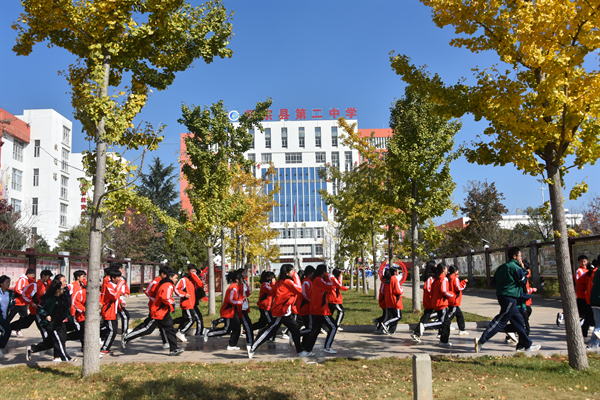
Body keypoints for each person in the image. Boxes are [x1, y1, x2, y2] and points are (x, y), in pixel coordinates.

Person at [475, 247, 541, 353]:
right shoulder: (515, 267)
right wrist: (523, 270)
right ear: (514, 256)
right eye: (520, 256)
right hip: (509, 297)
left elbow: (494, 282)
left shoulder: (501, 267)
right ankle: (481, 340)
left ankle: (527, 345)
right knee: (500, 321)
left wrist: (503, 286)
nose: (521, 258)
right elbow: (523, 282)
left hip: (505, 296)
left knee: (519, 321)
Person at [249, 264, 311, 358]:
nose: (293, 272)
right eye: (292, 270)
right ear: (287, 273)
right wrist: (296, 276)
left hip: (285, 312)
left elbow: (273, 292)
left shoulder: (279, 281)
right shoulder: (287, 282)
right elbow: (299, 289)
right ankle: (252, 347)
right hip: (280, 312)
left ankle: (300, 351)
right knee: (270, 330)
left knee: (295, 329)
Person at [122, 270, 183, 356]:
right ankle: (127, 337)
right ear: (170, 277)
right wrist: (172, 301)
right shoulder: (168, 285)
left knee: (170, 330)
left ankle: (174, 349)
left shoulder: (166, 284)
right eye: (176, 278)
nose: (176, 280)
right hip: (158, 312)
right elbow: (165, 298)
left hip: (164, 312)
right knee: (148, 329)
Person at [26, 279, 76, 362]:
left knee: (57, 340)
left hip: (61, 322)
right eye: (62, 288)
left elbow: (68, 306)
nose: (64, 290)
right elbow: (40, 308)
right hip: (51, 324)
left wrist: (66, 291)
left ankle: (32, 348)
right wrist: (46, 315)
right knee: (58, 340)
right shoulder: (49, 300)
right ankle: (66, 358)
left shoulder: (63, 298)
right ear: (57, 290)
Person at [203, 270, 245, 351]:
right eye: (241, 279)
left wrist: (240, 300)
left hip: (233, 311)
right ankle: (209, 333)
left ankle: (232, 345)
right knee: (226, 330)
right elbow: (231, 300)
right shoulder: (233, 287)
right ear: (237, 280)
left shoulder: (235, 287)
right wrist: (240, 301)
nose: (242, 280)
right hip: (228, 312)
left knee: (237, 328)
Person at [302, 264, 338, 354]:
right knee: (333, 326)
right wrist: (328, 276)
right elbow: (330, 287)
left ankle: (307, 350)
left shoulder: (317, 280)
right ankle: (327, 347)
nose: (326, 273)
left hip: (317, 309)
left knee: (315, 330)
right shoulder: (319, 280)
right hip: (321, 310)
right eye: (326, 271)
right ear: (323, 272)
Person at [174, 264, 205, 341]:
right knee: (191, 319)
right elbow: (176, 289)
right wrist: (184, 294)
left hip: (192, 303)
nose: (193, 273)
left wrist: (194, 276)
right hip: (187, 303)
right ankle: (181, 332)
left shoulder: (194, 280)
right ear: (188, 271)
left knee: (186, 319)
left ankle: (180, 332)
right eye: (192, 271)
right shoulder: (184, 279)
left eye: (195, 272)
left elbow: (200, 284)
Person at [100, 269, 126, 355]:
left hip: (113, 311)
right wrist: (120, 285)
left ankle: (106, 347)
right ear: (113, 278)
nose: (120, 278)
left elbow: (116, 297)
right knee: (111, 331)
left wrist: (121, 302)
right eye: (118, 277)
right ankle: (104, 348)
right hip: (108, 312)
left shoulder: (114, 285)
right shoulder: (108, 285)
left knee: (113, 330)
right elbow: (114, 296)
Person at [428, 263, 454, 347]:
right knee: (445, 323)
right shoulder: (444, 279)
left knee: (446, 322)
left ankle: (444, 340)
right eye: (446, 268)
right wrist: (451, 295)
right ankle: (425, 326)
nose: (447, 270)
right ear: (443, 270)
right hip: (442, 303)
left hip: (436, 302)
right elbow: (444, 291)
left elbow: (431, 291)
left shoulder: (436, 279)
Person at [411, 261, 437, 342]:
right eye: (435, 265)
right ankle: (417, 332)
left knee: (426, 317)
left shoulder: (431, 278)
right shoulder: (430, 279)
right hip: (430, 301)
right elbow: (428, 288)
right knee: (426, 318)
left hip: (430, 301)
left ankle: (417, 332)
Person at [8, 268, 35, 337]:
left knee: (24, 318)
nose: (33, 276)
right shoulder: (22, 279)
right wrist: (25, 295)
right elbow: (18, 289)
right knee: (10, 317)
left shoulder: (28, 280)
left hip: (23, 303)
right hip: (17, 302)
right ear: (28, 274)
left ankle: (17, 330)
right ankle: (4, 328)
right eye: (32, 275)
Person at [251, 271, 276, 337]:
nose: (273, 279)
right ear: (267, 277)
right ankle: (266, 336)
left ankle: (248, 329)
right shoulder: (265, 284)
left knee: (262, 323)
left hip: (268, 307)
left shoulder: (269, 284)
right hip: (265, 307)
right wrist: (273, 283)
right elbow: (272, 291)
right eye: (272, 277)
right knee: (271, 323)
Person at [381, 267, 404, 335]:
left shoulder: (388, 280)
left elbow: (383, 291)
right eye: (397, 271)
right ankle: (386, 323)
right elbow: (398, 291)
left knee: (394, 316)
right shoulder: (395, 280)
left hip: (389, 300)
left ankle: (392, 330)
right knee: (398, 316)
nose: (398, 272)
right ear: (394, 272)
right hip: (395, 301)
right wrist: (402, 289)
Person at [447, 265, 469, 336]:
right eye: (457, 270)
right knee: (450, 315)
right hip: (454, 300)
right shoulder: (455, 278)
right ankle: (442, 325)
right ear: (455, 271)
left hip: (451, 299)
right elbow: (459, 287)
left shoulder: (448, 277)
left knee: (459, 315)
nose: (458, 271)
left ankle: (461, 329)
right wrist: (464, 282)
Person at [586, 258, 600, 350]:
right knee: (599, 326)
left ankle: (592, 345)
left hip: (594, 300)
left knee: (598, 324)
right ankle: (593, 345)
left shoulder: (596, 271)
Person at [0, 276, 15, 358]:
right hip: (0, 317)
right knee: (7, 330)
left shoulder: (10, 293)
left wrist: (11, 306)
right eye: (6, 282)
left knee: (6, 331)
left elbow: (13, 302)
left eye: (9, 282)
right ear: (1, 283)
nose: (8, 284)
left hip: (5, 316)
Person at [298, 266, 315, 336]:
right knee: (310, 328)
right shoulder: (306, 282)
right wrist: (312, 301)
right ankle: (295, 334)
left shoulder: (309, 282)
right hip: (305, 308)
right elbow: (304, 294)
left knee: (309, 327)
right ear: (310, 274)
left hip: (308, 308)